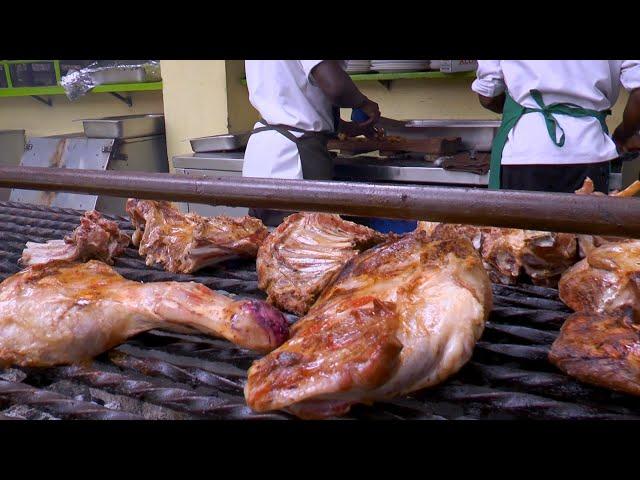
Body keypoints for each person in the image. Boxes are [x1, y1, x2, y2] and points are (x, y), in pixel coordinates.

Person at [243, 60, 381, 225]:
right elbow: (335, 87)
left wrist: (351, 128)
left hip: (262, 156)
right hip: (294, 160)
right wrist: (364, 103)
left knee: (267, 241)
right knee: (306, 241)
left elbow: (292, 100)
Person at [472, 60, 640, 193]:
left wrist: (525, 112)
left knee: (520, 236)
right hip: (589, 151)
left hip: (525, 151)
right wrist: (623, 134)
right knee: (582, 236)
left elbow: (488, 95)